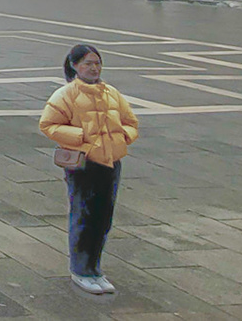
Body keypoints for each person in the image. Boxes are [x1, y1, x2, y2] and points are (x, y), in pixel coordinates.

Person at [39, 44, 139, 296]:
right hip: (83, 163)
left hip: (111, 162)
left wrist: (121, 137)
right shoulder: (66, 94)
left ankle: (95, 269)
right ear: (74, 66)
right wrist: (82, 136)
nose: (93, 68)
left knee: (103, 217)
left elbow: (130, 122)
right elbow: (49, 124)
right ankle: (81, 269)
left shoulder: (111, 93)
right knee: (84, 214)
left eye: (97, 63)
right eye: (87, 63)